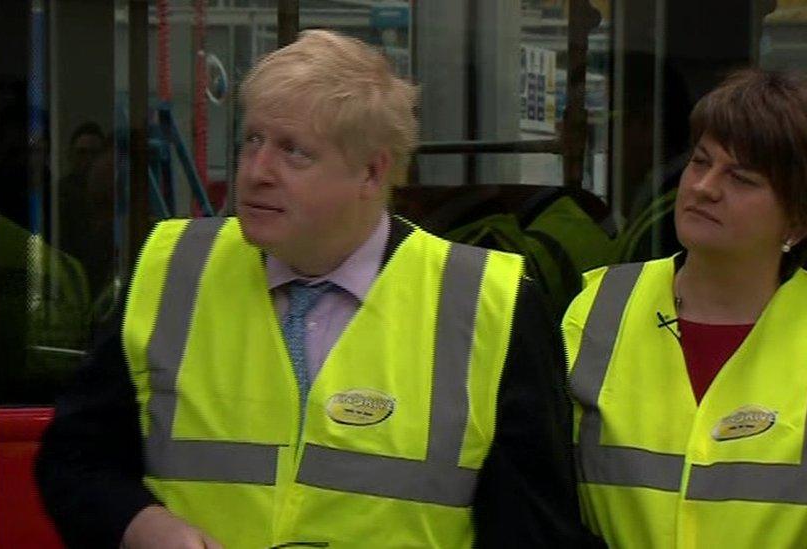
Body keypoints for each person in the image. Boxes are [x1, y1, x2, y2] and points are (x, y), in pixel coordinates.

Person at [37, 29, 594, 548]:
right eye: (252, 139)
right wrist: (140, 523)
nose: (256, 170)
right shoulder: (172, 267)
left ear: (372, 173)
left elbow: (534, 530)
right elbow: (75, 460)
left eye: (293, 151)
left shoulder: (490, 303)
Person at [562, 68, 807, 548]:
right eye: (701, 162)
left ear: (800, 216)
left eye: (741, 178)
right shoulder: (594, 306)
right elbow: (547, 499)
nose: (704, 187)